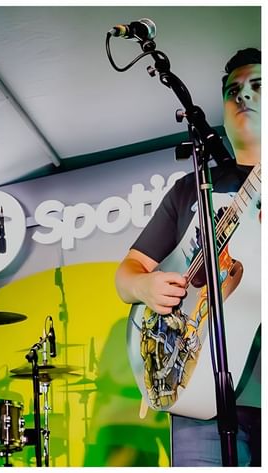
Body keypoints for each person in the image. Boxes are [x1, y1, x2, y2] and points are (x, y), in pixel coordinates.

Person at [115, 48, 260, 466]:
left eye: (257, 85)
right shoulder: (192, 187)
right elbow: (126, 275)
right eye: (232, 90)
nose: (243, 96)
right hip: (200, 393)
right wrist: (145, 286)